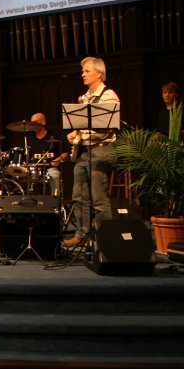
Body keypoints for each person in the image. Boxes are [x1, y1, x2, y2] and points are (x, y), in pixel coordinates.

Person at [63, 57, 120, 248]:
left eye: (86, 71)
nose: (83, 74)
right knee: (79, 196)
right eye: (83, 71)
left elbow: (108, 126)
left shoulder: (108, 96)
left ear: (99, 73)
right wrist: (74, 133)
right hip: (83, 151)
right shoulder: (85, 97)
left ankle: (104, 239)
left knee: (99, 198)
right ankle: (82, 235)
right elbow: (82, 124)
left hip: (101, 151)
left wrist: (85, 130)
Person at [25, 113, 68, 197]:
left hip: (51, 168)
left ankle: (55, 202)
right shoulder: (29, 139)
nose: (33, 124)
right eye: (32, 122)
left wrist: (59, 159)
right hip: (35, 170)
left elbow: (66, 153)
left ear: (43, 122)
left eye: (35, 122)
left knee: (55, 176)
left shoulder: (54, 135)